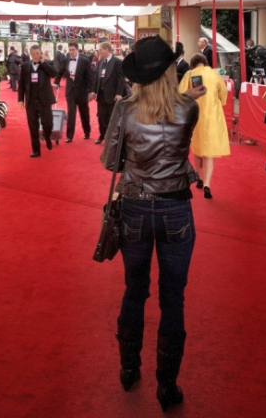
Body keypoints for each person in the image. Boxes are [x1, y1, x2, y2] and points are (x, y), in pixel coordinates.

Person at [100, 35, 204, 411]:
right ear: (170, 70)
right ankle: (167, 386)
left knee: (134, 290)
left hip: (135, 209)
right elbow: (179, 148)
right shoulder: (188, 109)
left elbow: (111, 162)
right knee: (173, 298)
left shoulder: (126, 111)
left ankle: (129, 369)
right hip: (177, 208)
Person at [178, 53, 230, 199]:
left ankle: (199, 177)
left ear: (193, 64)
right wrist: (219, 102)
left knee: (197, 148)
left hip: (194, 116)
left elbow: (180, 94)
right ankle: (207, 184)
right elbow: (223, 93)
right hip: (212, 117)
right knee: (209, 152)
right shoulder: (215, 75)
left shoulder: (189, 74)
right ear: (205, 63)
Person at [18, 44, 57, 157]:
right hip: (31, 101)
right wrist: (20, 99)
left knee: (48, 123)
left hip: (44, 100)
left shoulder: (48, 63)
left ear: (41, 53)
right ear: (30, 54)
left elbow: (54, 74)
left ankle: (48, 137)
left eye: (37, 54)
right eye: (33, 54)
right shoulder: (25, 66)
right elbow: (21, 85)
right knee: (33, 126)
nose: (35, 56)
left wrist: (43, 63)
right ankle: (36, 150)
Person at [54, 42, 94, 142]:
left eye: (73, 50)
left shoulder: (85, 60)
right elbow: (60, 72)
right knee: (71, 114)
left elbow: (90, 77)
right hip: (70, 91)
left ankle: (87, 132)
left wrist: (91, 91)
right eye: (70, 50)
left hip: (82, 92)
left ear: (77, 50)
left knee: (84, 113)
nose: (71, 52)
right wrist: (56, 82)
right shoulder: (66, 59)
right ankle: (69, 136)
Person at [89, 41, 125, 144]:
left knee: (111, 118)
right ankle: (102, 135)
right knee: (101, 117)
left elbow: (120, 79)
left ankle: (112, 137)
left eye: (100, 50)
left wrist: (119, 93)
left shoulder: (117, 62)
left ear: (107, 50)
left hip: (112, 95)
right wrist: (93, 91)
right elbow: (96, 78)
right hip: (101, 95)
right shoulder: (100, 62)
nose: (99, 52)